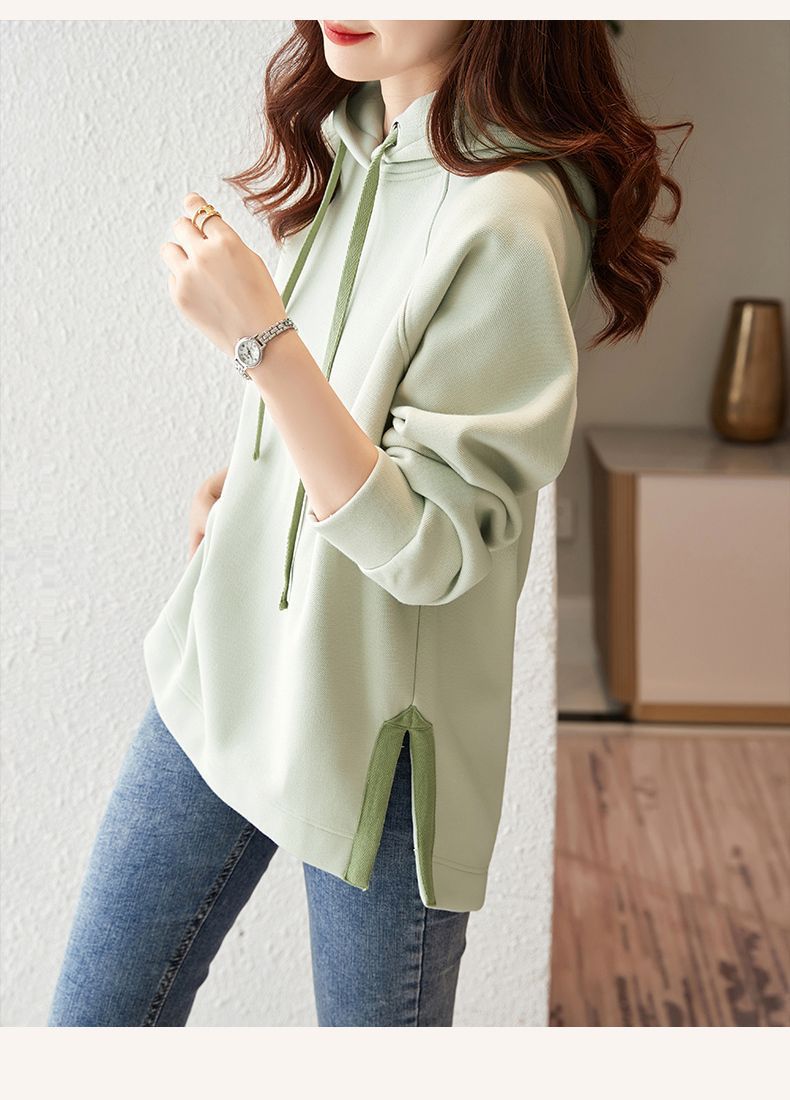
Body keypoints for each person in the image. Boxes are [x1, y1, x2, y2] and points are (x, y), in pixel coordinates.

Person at [47, 20, 690, 1027]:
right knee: (90, 1029)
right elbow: (353, 417)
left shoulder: (508, 219)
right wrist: (252, 491)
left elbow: (432, 546)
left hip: (379, 740)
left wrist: (259, 340)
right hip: (228, 655)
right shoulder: (356, 139)